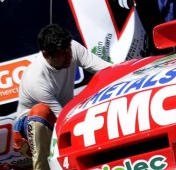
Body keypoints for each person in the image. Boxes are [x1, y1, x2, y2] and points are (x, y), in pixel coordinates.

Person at [13, 24, 111, 170]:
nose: (69, 56)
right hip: (27, 133)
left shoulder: (71, 47)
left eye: (69, 50)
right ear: (46, 55)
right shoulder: (36, 79)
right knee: (41, 112)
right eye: (62, 54)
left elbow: (106, 69)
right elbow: (63, 122)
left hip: (62, 114)